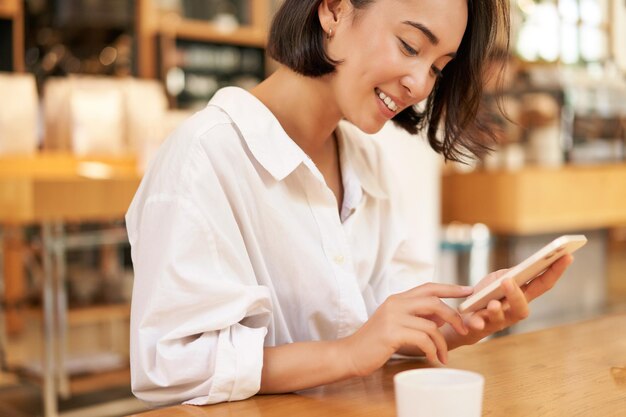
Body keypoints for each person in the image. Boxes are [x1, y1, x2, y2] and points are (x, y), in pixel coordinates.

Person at [126, 0, 573, 407]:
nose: (419, 84)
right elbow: (171, 366)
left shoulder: (367, 162)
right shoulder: (203, 157)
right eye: (409, 45)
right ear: (334, 11)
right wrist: (349, 353)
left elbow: (388, 329)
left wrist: (466, 322)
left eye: (438, 67)